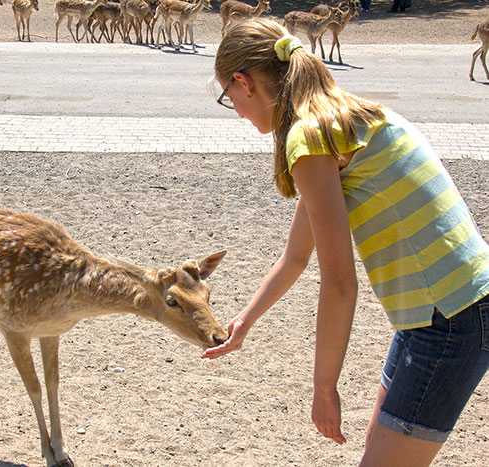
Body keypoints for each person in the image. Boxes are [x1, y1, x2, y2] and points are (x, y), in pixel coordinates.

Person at [202, 18, 489, 466]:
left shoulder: (310, 138)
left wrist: (323, 388)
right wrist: (246, 321)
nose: (234, 108)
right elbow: (296, 256)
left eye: (228, 96)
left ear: (245, 81)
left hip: (451, 319)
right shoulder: (347, 118)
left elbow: (339, 284)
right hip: (442, 311)